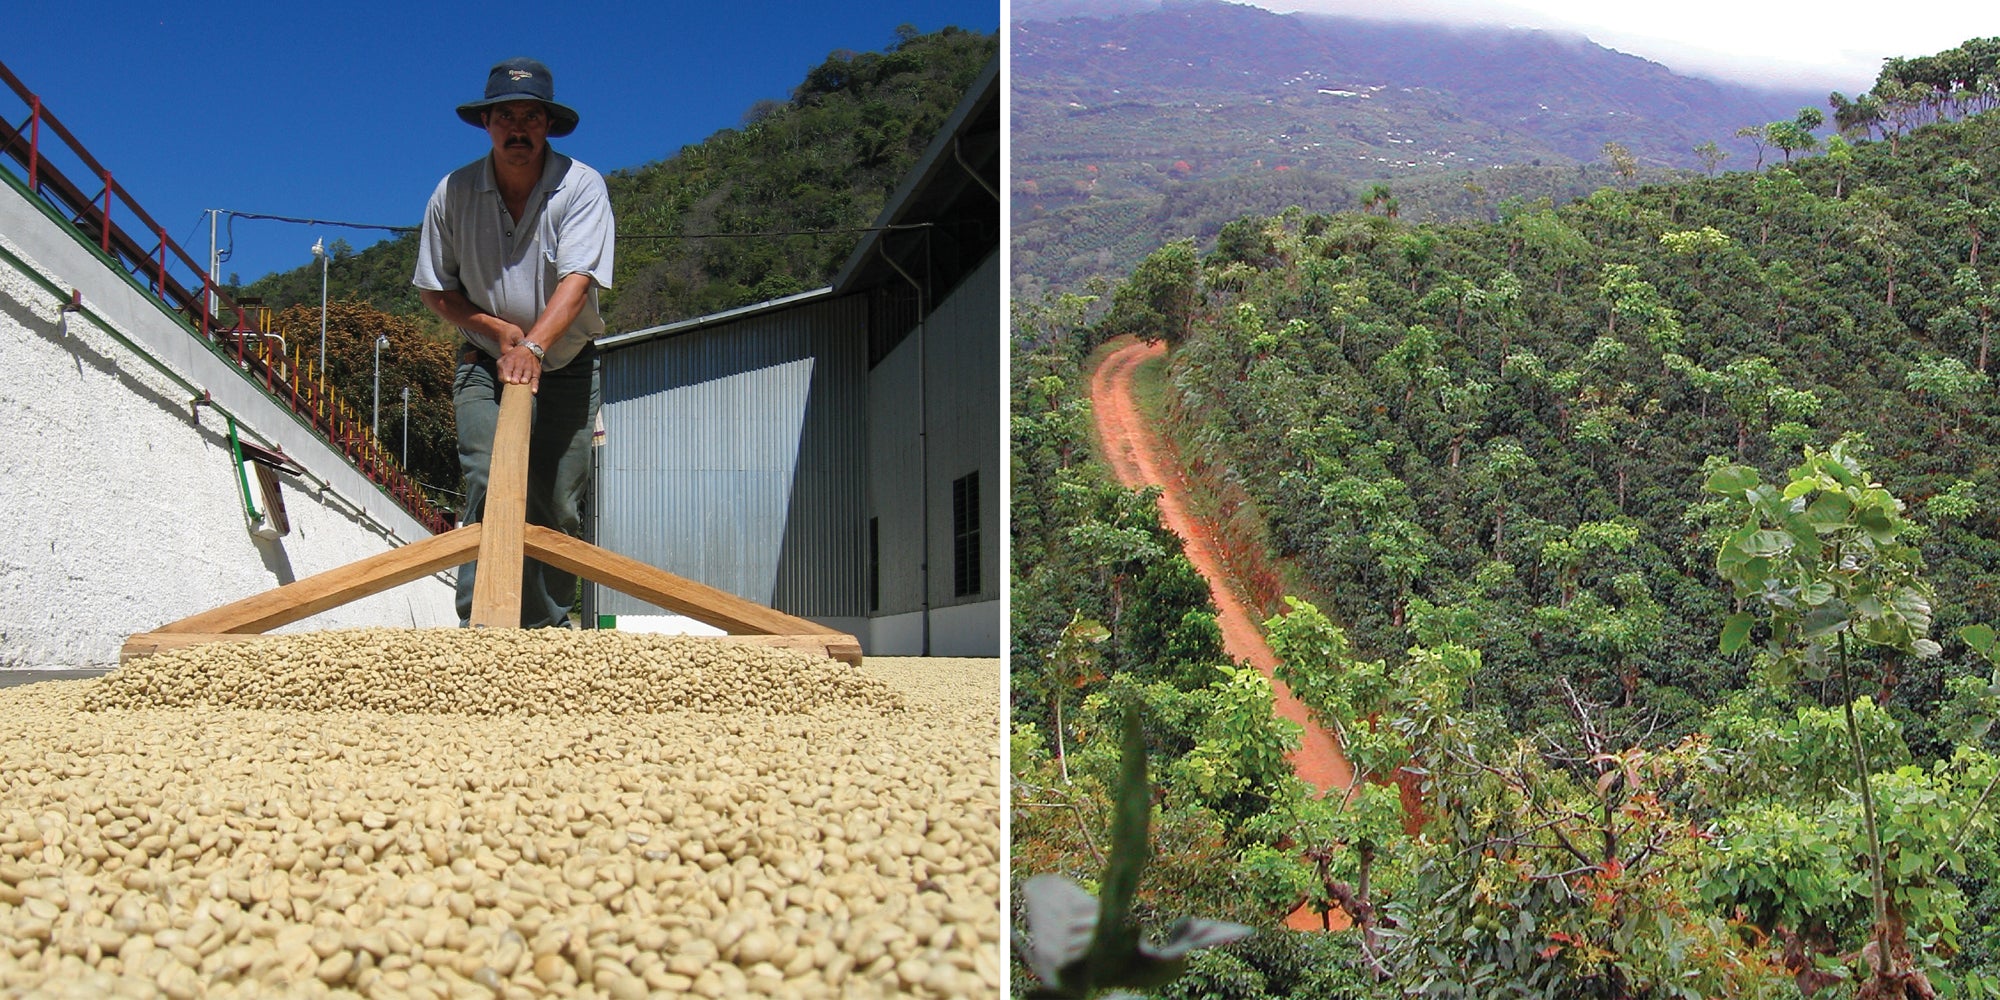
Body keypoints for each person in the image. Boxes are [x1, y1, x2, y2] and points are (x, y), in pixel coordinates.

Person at [413, 57, 614, 627]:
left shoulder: (581, 186)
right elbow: (436, 291)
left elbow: (577, 282)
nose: (518, 129)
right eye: (506, 116)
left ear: (548, 124)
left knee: (557, 502)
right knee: (487, 481)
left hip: (567, 362)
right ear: (487, 123)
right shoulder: (453, 192)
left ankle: (546, 629)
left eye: (531, 117)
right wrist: (497, 331)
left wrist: (534, 347)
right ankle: (480, 625)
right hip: (483, 360)